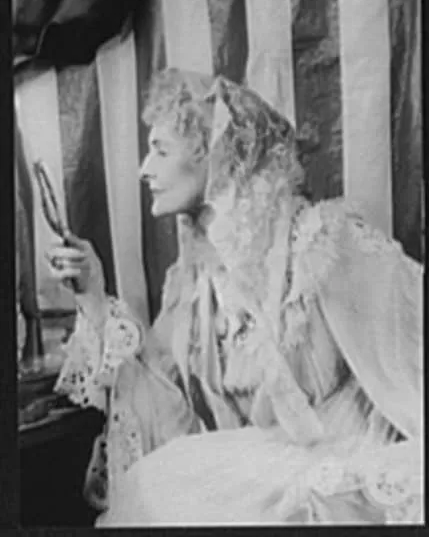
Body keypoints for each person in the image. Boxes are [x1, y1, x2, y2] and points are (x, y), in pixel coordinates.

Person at [47, 68, 423, 525]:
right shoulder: (195, 283)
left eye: (161, 150)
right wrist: (93, 295)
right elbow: (165, 407)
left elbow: (413, 364)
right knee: (156, 485)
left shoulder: (323, 243)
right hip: (269, 470)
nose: (145, 170)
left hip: (347, 475)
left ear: (217, 155)